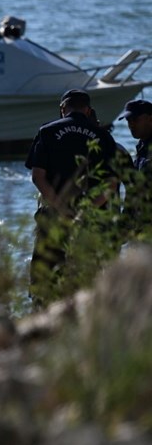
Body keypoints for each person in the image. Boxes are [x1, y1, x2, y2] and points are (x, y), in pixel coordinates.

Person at [24, 89, 117, 306]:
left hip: (53, 217)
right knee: (86, 283)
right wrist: (84, 212)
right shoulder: (104, 136)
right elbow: (111, 184)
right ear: (88, 110)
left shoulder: (47, 132)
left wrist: (61, 208)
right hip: (89, 221)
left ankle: (43, 318)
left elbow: (38, 177)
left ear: (62, 109)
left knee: (45, 281)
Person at [119, 99, 152, 239]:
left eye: (135, 120)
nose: (131, 125)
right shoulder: (142, 145)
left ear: (150, 119)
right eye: (128, 121)